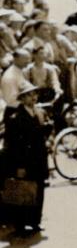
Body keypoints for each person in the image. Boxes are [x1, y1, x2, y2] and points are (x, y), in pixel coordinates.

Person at [1, 80, 50, 232]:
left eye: (34, 93)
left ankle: (35, 220)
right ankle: (20, 223)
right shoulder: (16, 118)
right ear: (22, 99)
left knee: (39, 190)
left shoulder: (40, 112)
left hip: (39, 159)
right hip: (25, 160)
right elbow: (14, 145)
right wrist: (19, 166)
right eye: (28, 95)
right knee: (22, 190)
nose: (33, 97)